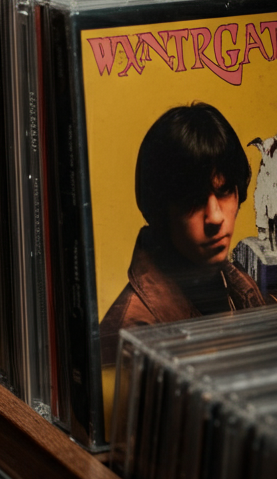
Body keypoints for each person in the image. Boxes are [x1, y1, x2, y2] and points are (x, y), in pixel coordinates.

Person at [99, 102, 265, 366]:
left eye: (224, 192)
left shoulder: (238, 286)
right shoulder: (132, 332)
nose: (216, 217)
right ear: (161, 210)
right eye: (194, 200)